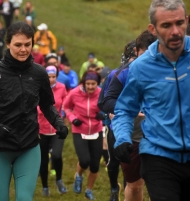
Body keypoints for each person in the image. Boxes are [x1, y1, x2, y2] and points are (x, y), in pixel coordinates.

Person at [0, 22, 68, 201]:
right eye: (18, 45)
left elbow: (47, 105)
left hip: (28, 148)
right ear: (8, 44)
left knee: (24, 199)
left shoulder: (39, 73)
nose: (23, 49)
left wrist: (58, 122)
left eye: (27, 44)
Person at [112, 1, 190, 200]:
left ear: (187, 21)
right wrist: (122, 138)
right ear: (153, 29)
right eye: (166, 25)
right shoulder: (140, 67)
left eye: (180, 23)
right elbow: (124, 110)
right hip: (159, 158)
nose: (175, 31)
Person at [103, 30, 157, 201]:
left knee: (160, 186)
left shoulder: (167, 71)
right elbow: (106, 102)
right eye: (144, 54)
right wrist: (131, 110)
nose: (148, 58)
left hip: (159, 138)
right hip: (131, 137)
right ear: (136, 51)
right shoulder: (123, 73)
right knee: (134, 186)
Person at [63, 71, 104, 200]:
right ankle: (79, 176)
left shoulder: (101, 93)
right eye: (88, 84)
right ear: (83, 83)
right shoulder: (75, 93)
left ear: (97, 83)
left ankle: (89, 191)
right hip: (79, 129)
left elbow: (109, 106)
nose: (91, 87)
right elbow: (66, 107)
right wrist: (72, 118)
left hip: (96, 130)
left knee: (95, 165)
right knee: (85, 161)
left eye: (94, 84)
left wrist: (102, 113)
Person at [38, 65, 68, 196]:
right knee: (43, 159)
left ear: (57, 76)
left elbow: (65, 104)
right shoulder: (39, 88)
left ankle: (59, 180)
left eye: (53, 77)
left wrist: (65, 118)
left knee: (56, 155)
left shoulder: (61, 87)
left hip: (57, 129)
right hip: (41, 129)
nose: (51, 79)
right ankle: (45, 186)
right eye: (48, 77)